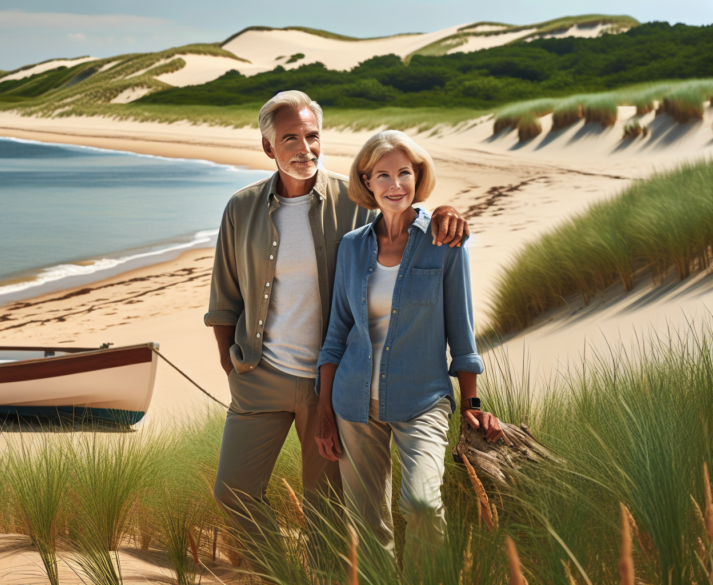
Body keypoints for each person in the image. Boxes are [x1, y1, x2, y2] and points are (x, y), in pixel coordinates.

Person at [204, 91, 470, 549]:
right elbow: (224, 302)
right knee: (233, 493)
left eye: (312, 136)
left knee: (325, 516)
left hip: (331, 384)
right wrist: (234, 370)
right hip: (259, 377)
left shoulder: (354, 203)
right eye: (290, 138)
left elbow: (401, 209)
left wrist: (444, 213)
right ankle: (279, 575)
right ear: (269, 147)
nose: (304, 148)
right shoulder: (240, 209)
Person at [314, 130, 502, 565]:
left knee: (422, 504)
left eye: (404, 173)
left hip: (423, 400)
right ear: (367, 180)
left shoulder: (445, 242)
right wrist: (325, 411)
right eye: (383, 175)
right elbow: (337, 334)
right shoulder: (351, 247)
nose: (395, 184)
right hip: (353, 403)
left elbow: (462, 331)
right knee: (366, 524)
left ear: (418, 177)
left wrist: (472, 401)